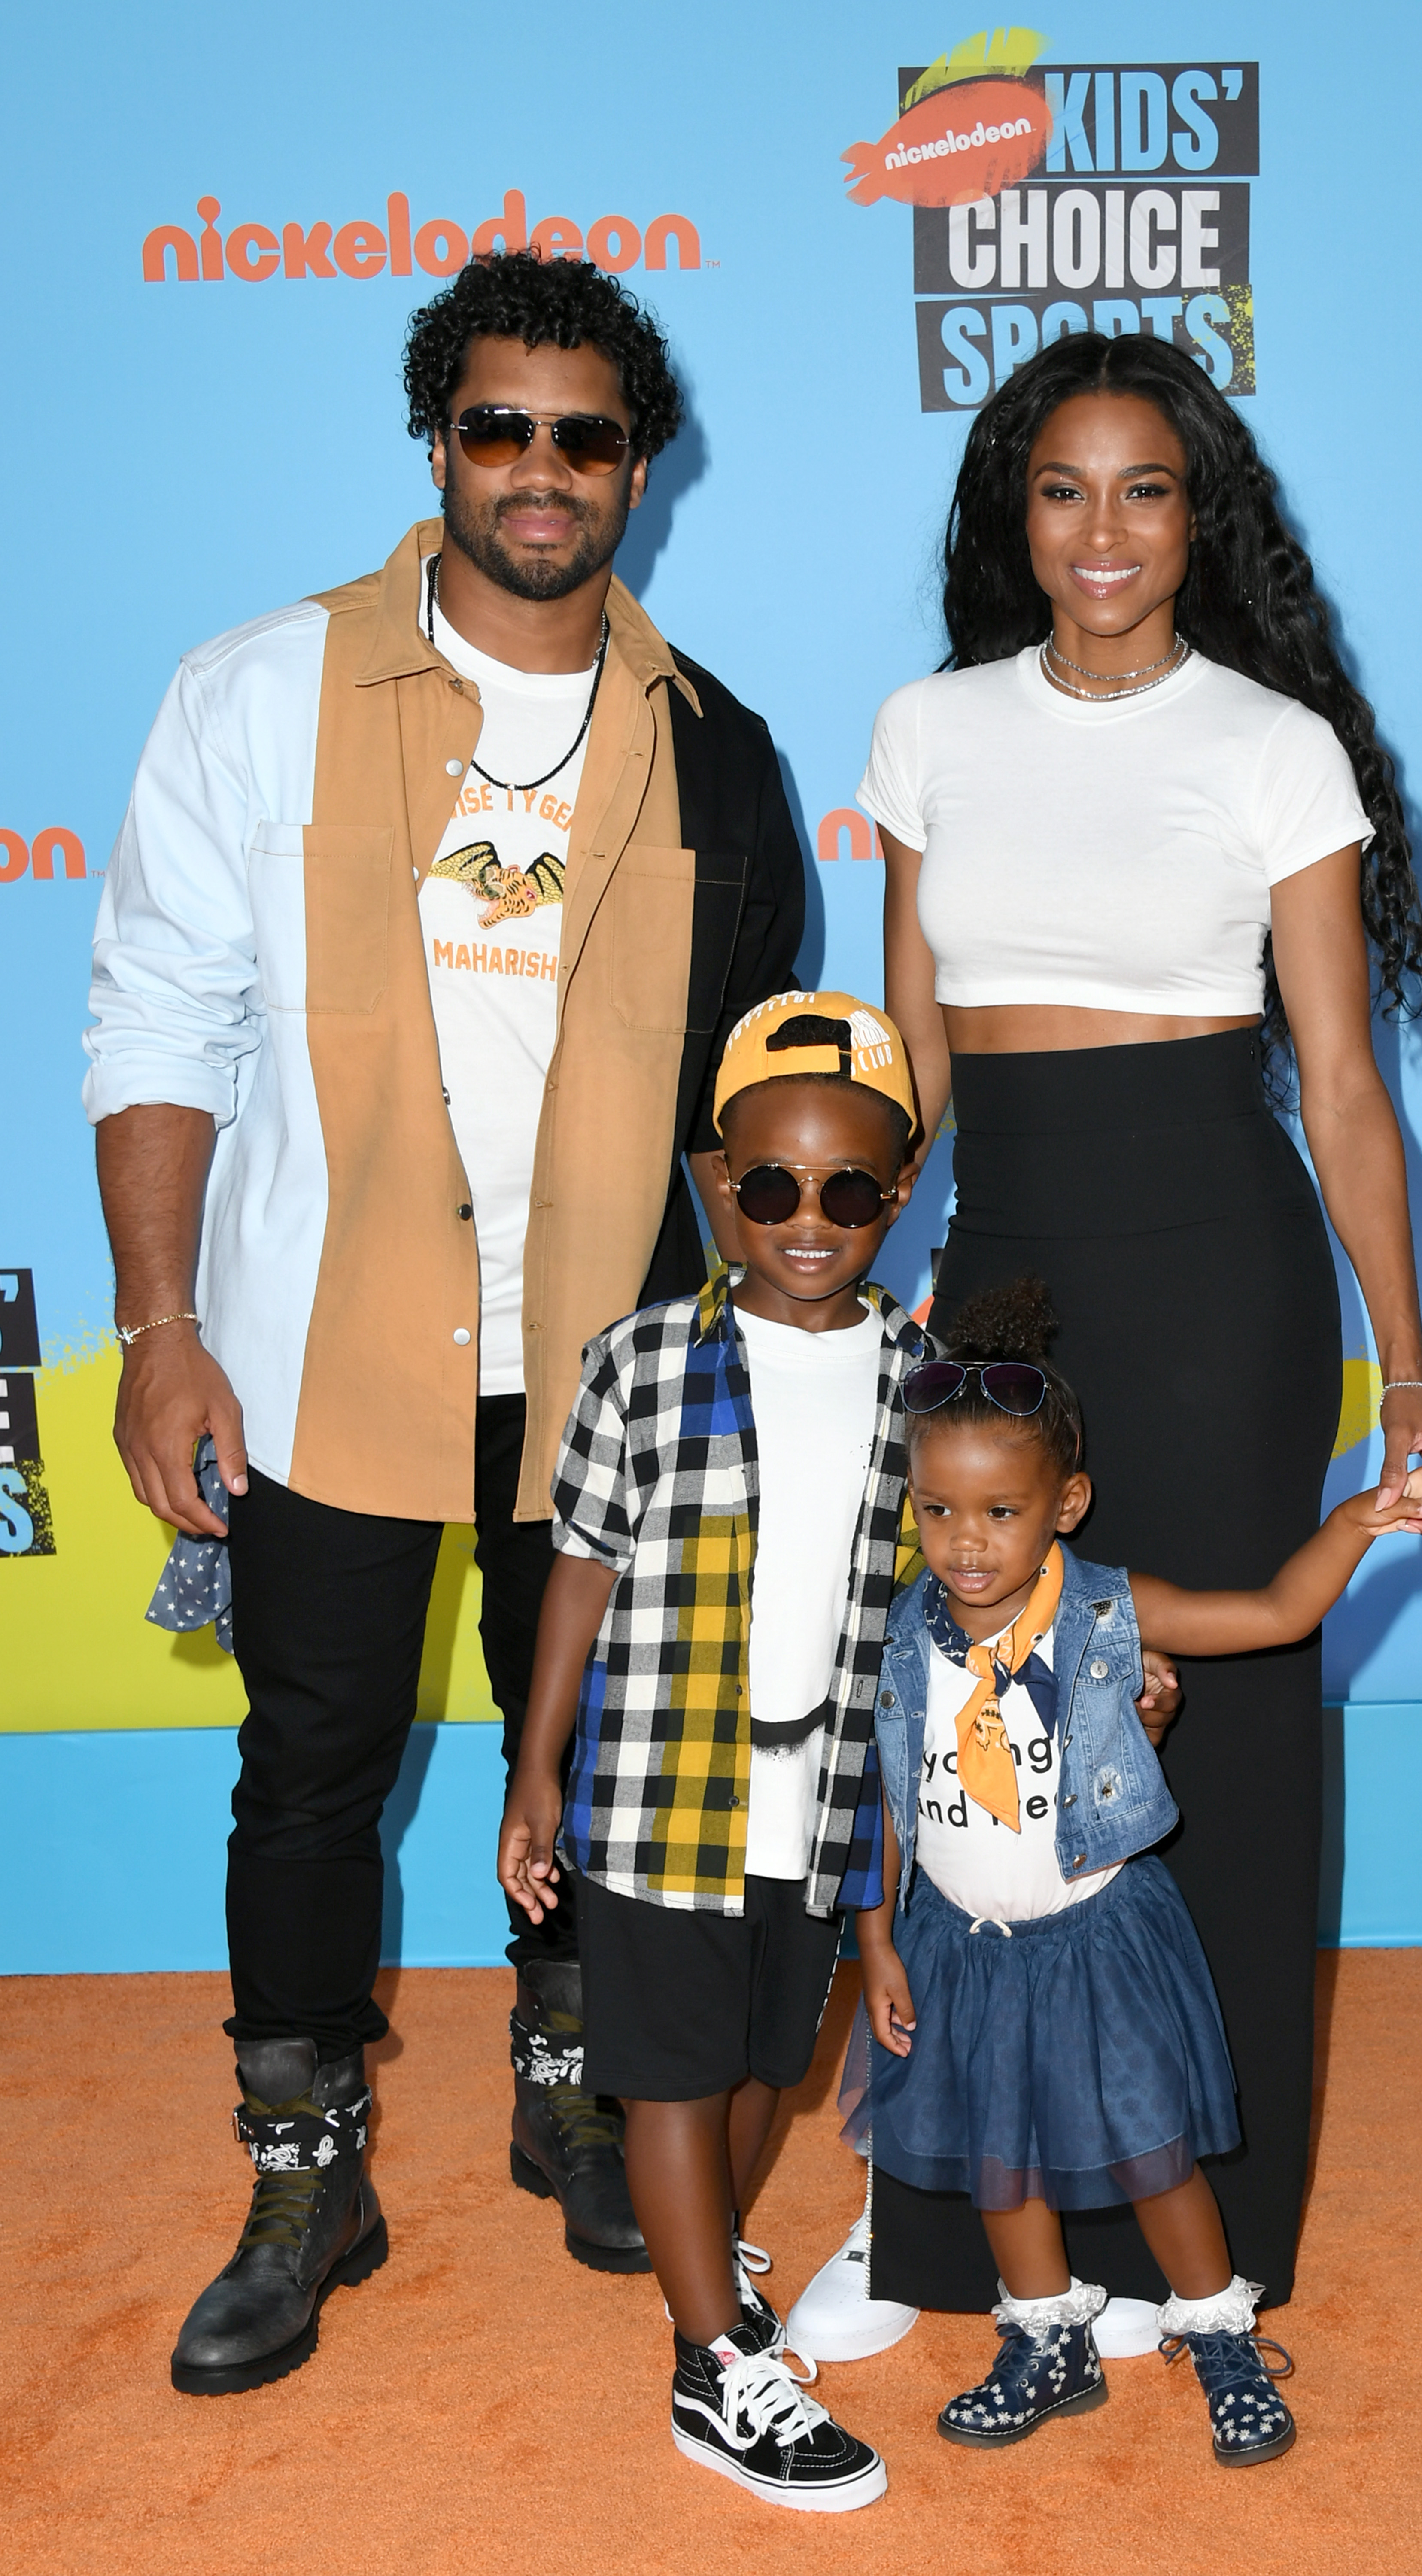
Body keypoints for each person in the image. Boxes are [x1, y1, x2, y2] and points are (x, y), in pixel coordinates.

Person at [82, 249, 805, 2394]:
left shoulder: (718, 751)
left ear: (638, 467)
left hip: (603, 1370)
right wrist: (155, 1326)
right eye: (499, 425)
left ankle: (567, 2088)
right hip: (316, 1341)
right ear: (440, 445)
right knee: (307, 1772)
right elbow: (160, 1014)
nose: (540, 470)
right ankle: (305, 2164)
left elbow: (748, 1100)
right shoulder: (260, 690)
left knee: (580, 1749)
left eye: (584, 435)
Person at [793, 326, 1422, 2359]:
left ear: (1202, 519)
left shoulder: (1273, 746)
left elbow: (1345, 1086)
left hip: (1213, 1263)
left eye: (1145, 491)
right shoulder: (928, 728)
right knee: (968, 1723)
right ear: (1012, 515)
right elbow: (912, 1048)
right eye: (1061, 491)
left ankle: (1211, 2240)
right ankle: (946, 2230)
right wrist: (866, 1265)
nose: (1101, 533)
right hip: (1004, 1248)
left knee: (1218, 1730)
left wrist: (1415, 1365)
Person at [848, 1278, 1422, 2463]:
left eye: (999, 1511)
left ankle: (1219, 2329)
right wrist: (877, 1938)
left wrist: (1360, 1521)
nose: (965, 1542)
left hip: (1097, 1935)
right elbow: (884, 1792)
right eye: (938, 1511)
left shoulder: (1106, 1614)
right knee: (999, 2152)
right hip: (960, 1943)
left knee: (1151, 2148)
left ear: (1066, 1504)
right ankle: (1046, 2336)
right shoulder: (899, 1634)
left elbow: (1278, 1613)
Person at [497, 992, 938, 2513]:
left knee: (766, 2066)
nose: (806, 1221)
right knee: (675, 2084)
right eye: (768, 1188)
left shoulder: (917, 1376)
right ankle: (712, 2361)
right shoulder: (639, 1364)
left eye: (849, 1193)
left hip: (825, 1801)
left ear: (900, 1189)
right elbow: (580, 1566)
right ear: (716, 1184)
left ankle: (707, 2257)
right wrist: (533, 1766)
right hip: (656, 1794)